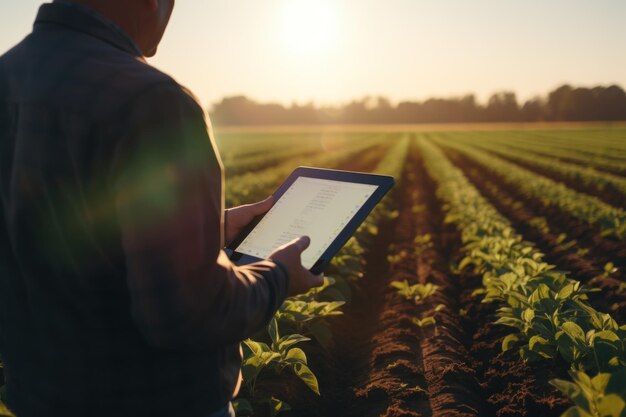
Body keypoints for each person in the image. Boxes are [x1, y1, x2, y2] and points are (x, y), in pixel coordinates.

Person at [0, 0, 323, 416]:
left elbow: (58, 236)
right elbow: (190, 312)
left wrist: (211, 229)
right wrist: (278, 276)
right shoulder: (152, 102)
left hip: (36, 397)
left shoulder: (8, 77)